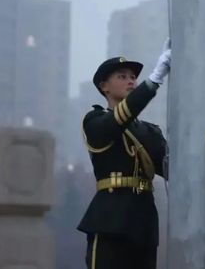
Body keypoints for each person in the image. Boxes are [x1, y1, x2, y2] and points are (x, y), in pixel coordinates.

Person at [77, 40, 171, 269]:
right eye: (122, 76)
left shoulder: (149, 131)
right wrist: (152, 83)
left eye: (133, 77)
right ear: (104, 86)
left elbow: (174, 170)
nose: (131, 80)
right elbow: (117, 122)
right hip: (110, 221)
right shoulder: (95, 120)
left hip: (144, 224)